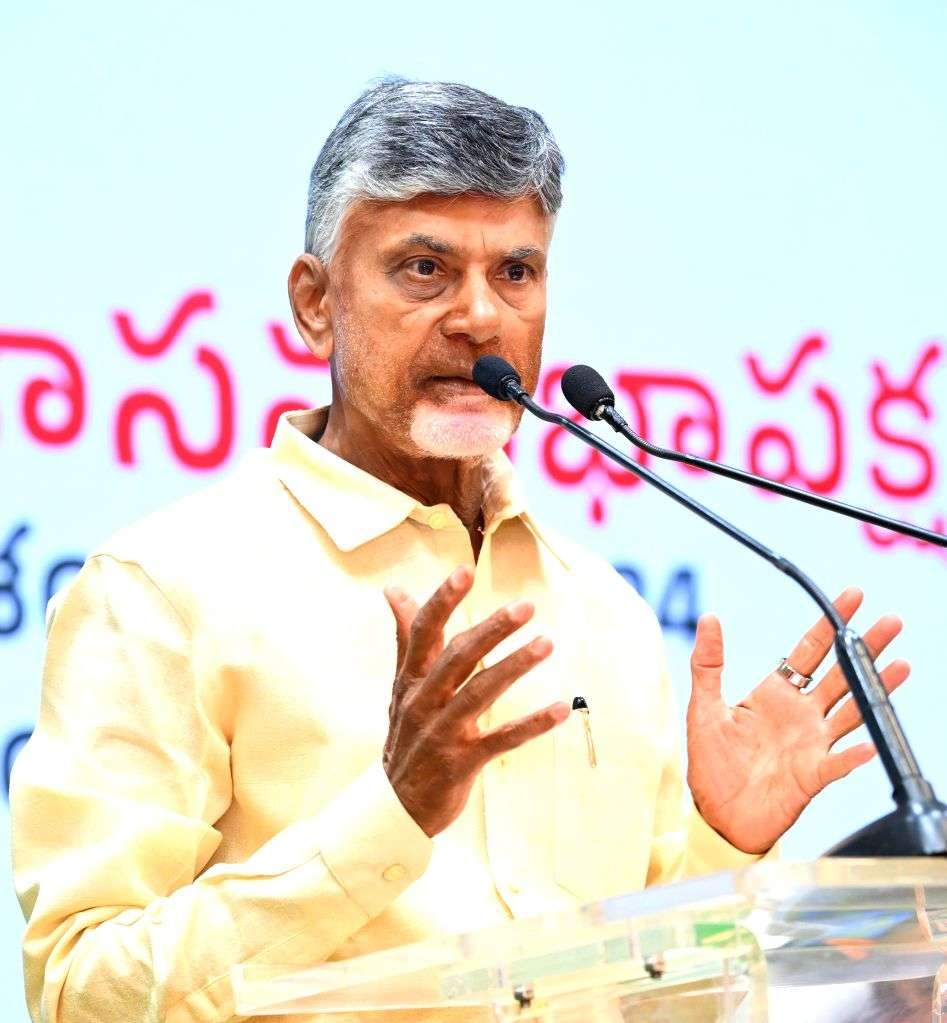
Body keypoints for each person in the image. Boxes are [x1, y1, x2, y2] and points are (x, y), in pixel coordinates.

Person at [10, 79, 909, 1023]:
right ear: (315, 304)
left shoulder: (604, 612)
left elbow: (652, 1005)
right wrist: (386, 816)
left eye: (515, 271)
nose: (480, 317)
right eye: (424, 268)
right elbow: (79, 991)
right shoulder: (163, 590)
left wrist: (723, 843)